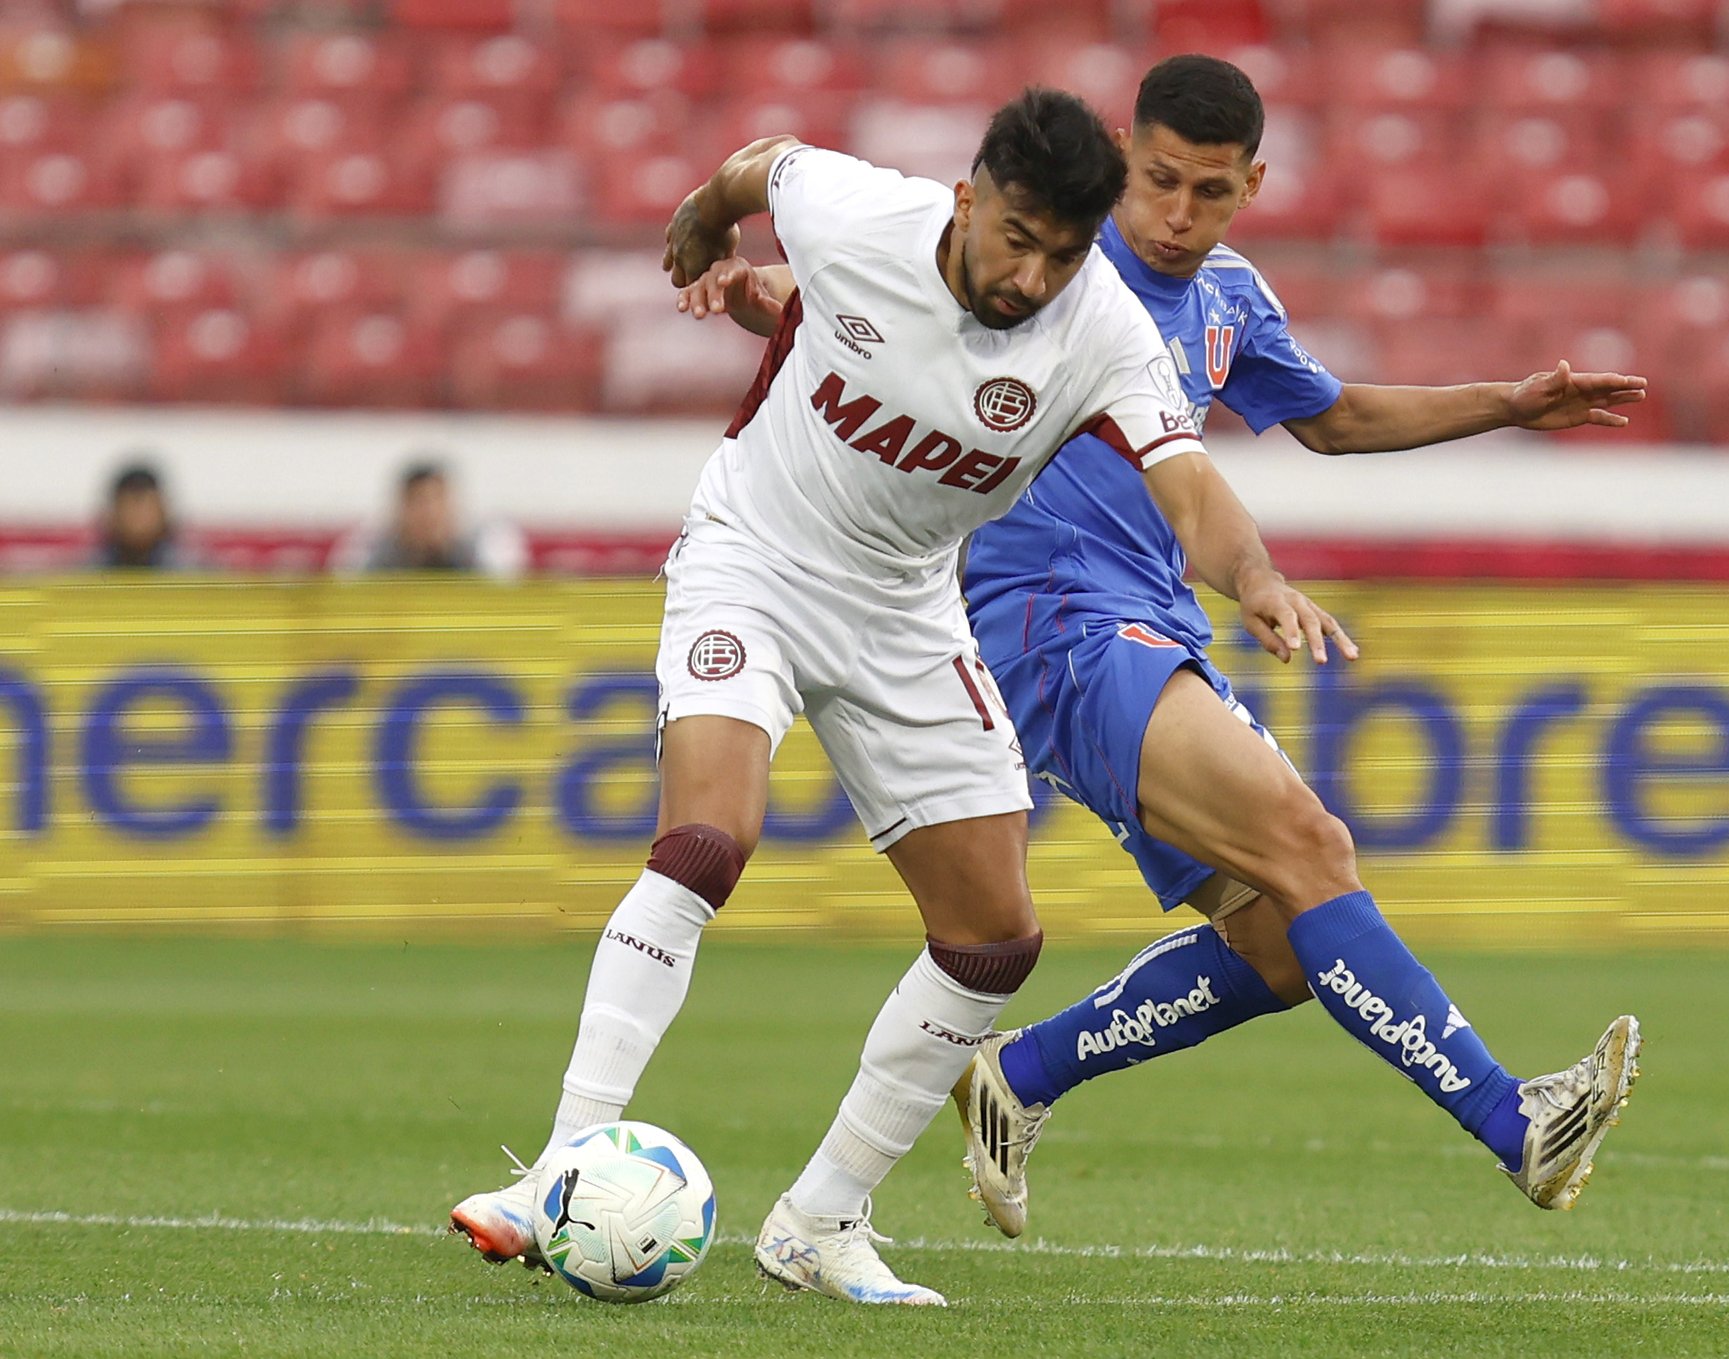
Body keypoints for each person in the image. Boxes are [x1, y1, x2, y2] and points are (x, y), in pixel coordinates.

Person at [682, 55, 1648, 1242]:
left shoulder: (1227, 297)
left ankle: (1017, 1078)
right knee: (1310, 845)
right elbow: (898, 294)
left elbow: (1331, 419)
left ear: (1252, 185)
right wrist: (762, 290)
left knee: (1279, 947)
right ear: (1121, 159)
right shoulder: (1055, 278)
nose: (1176, 216)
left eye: (1208, 192)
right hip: (1047, 620)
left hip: (1147, 620)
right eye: (1155, 183)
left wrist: (1505, 402)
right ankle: (1515, 1123)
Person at [448, 89, 1351, 1307]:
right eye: (1015, 239)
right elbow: (756, 165)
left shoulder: (1102, 329)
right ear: (969, 199)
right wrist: (701, 225)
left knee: (993, 938)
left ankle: (820, 1220)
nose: (1031, 278)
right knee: (710, 838)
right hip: (754, 561)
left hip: (908, 609)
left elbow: (1188, 486)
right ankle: (554, 1170)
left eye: (1063, 254)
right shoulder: (859, 212)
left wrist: (1254, 575)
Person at [329, 460, 528, 579]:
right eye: (419, 501)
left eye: (437, 501)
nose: (429, 513)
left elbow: (503, 597)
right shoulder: (371, 548)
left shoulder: (482, 544)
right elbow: (346, 595)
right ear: (401, 507)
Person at [90, 462, 204, 570]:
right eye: (130, 507)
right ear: (113, 514)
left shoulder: (194, 572)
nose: (138, 518)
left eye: (147, 508)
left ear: (163, 512)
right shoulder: (86, 574)